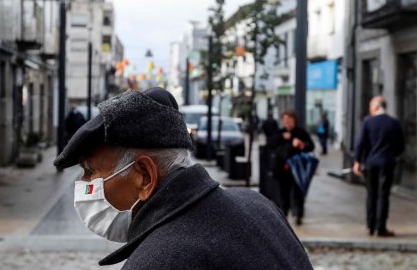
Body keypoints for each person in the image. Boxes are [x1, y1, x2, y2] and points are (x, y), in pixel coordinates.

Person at [54, 88, 313, 269]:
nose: (86, 184)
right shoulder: (259, 206)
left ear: (145, 176)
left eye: (91, 171)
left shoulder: (161, 259)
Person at [353, 96, 405, 237]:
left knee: (371, 194)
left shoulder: (368, 122)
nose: (369, 108)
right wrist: (392, 155)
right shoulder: (394, 123)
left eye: (371, 105)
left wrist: (357, 161)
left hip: (371, 163)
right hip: (387, 163)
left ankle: (370, 226)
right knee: (383, 195)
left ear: (376, 107)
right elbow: (401, 145)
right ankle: (381, 228)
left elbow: (360, 143)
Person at [268, 111, 315, 226]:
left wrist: (301, 145)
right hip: (283, 169)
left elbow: (311, 146)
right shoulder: (280, 133)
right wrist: (282, 138)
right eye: (285, 121)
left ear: (294, 121)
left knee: (298, 192)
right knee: (283, 192)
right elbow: (272, 145)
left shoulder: (300, 133)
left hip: (297, 168)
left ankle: (298, 214)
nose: (287, 123)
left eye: (289, 121)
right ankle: (284, 213)